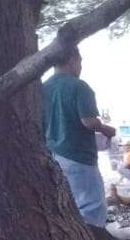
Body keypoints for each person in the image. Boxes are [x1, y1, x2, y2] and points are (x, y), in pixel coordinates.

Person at [45, 46, 116, 229]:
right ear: (72, 60)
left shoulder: (43, 88)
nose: (81, 66)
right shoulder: (79, 86)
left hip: (53, 154)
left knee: (69, 203)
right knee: (91, 205)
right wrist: (106, 129)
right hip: (78, 153)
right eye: (80, 61)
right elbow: (89, 122)